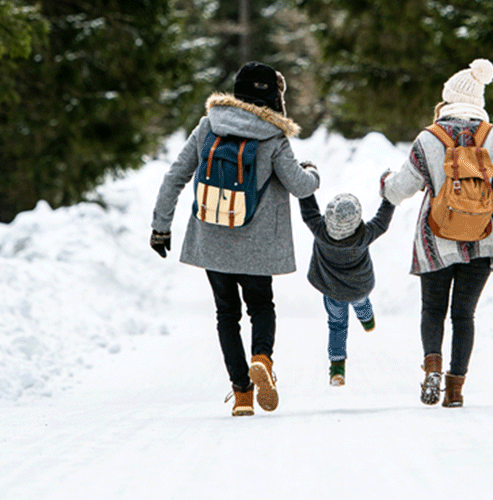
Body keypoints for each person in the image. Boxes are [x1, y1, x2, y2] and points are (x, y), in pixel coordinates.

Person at [149, 62, 320, 417]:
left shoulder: (209, 125)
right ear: (274, 96)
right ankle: (262, 359)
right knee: (261, 307)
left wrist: (160, 227)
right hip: (257, 245)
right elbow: (300, 186)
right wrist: (313, 172)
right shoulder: (273, 136)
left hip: (213, 239)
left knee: (226, 313)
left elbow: (175, 176)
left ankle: (242, 394)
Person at [381, 58, 493, 408]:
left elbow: (401, 189)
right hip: (482, 239)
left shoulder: (429, 138)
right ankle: (455, 390)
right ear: (478, 102)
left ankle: (432, 368)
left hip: (435, 240)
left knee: (433, 310)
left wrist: (385, 186)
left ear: (448, 99)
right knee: (464, 315)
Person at [298, 189, 396, 386]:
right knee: (362, 303)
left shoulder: (319, 230)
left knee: (337, 325)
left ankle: (337, 369)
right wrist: (389, 197)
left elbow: (309, 210)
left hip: (332, 291)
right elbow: (382, 221)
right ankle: (367, 320)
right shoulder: (364, 235)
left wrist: (306, 180)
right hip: (359, 288)